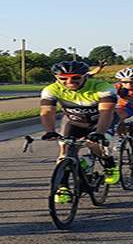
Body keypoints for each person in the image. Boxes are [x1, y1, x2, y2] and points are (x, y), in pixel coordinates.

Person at [38, 61, 118, 203]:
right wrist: (49, 131)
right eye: (63, 78)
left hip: (101, 121)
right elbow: (47, 111)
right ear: (56, 78)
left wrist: (99, 133)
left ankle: (109, 163)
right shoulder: (51, 89)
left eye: (75, 77)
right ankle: (62, 186)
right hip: (74, 122)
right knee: (64, 150)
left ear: (85, 76)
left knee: (94, 144)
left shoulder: (102, 87)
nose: (69, 82)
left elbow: (106, 112)